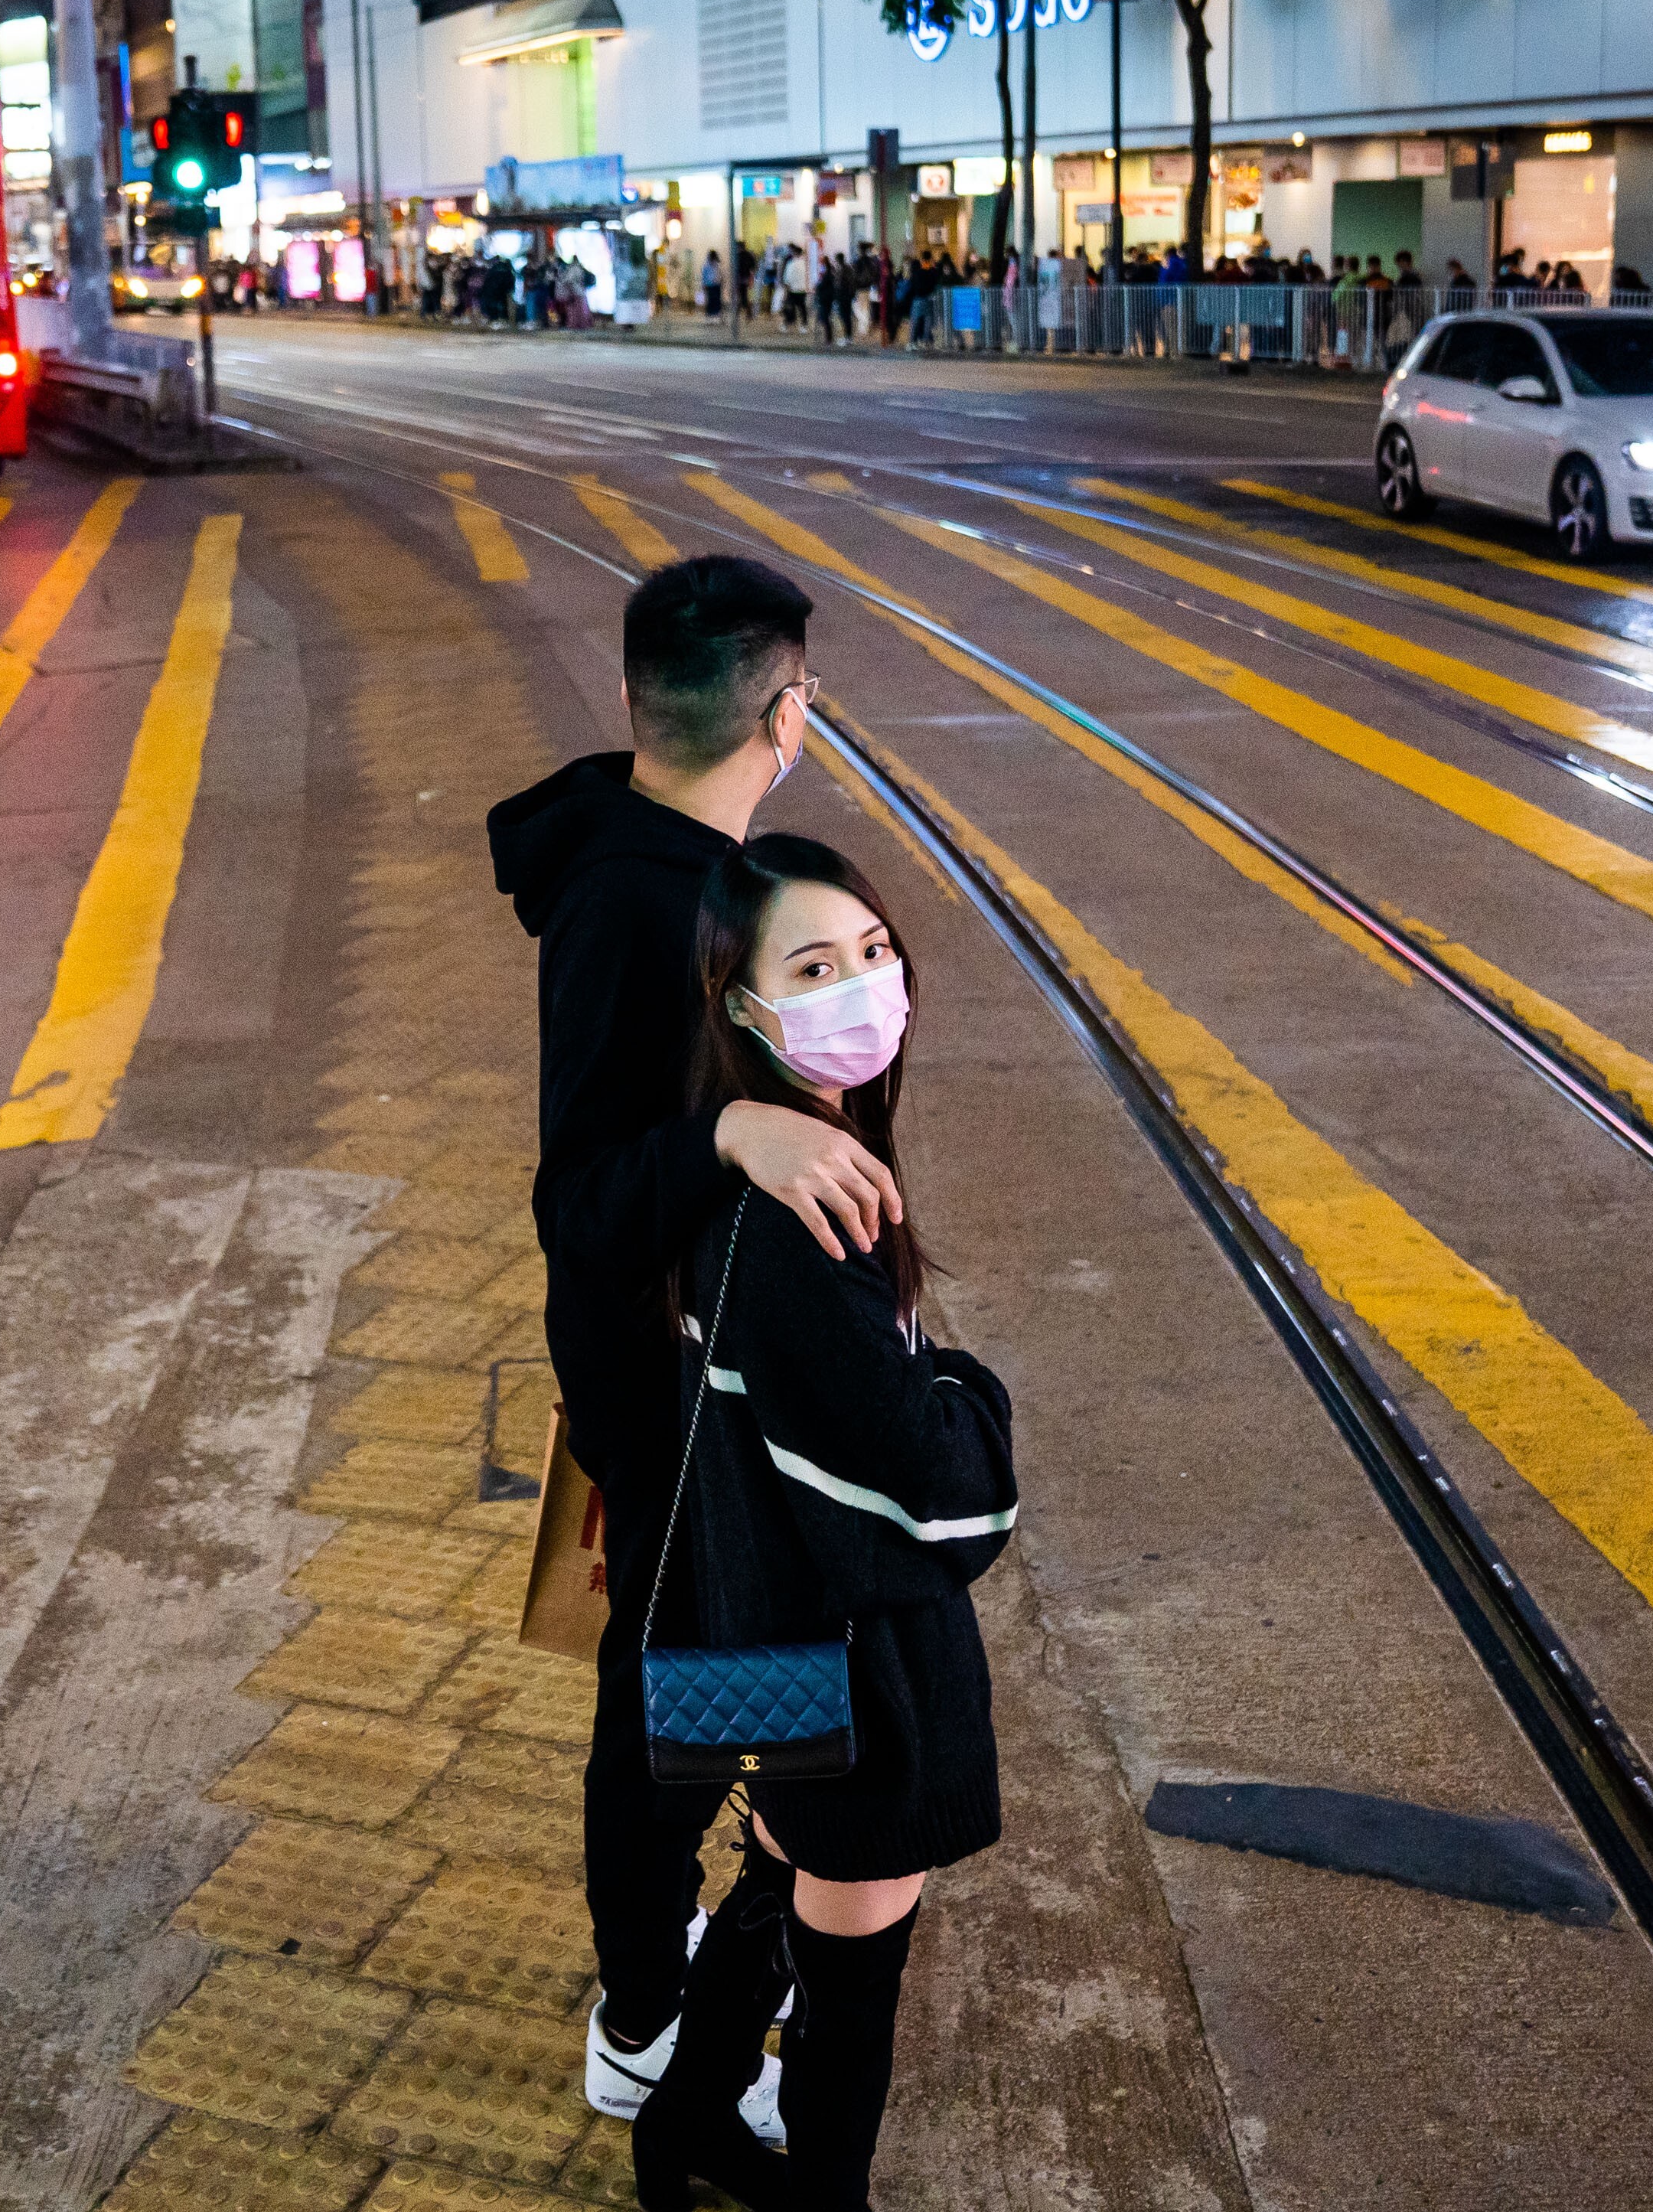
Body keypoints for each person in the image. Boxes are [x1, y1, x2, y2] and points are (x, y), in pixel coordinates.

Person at [485, 555, 908, 2165]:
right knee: (670, 1716)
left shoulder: (684, 857)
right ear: (789, 712)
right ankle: (645, 2030)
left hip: (705, 1379)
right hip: (668, 1398)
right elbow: (577, 1192)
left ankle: (694, 1997)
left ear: (635, 702)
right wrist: (729, 1124)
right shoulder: (635, 896)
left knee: (719, 1688)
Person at [626, 831, 1015, 2211]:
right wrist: (968, 1389)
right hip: (862, 1650)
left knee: (781, 1866)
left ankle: (678, 2126)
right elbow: (929, 1486)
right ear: (741, 1003)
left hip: (771, 1614)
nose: (863, 983)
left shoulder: (763, 1169)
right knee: (857, 1956)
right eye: (813, 964)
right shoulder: (798, 1216)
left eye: (873, 952)